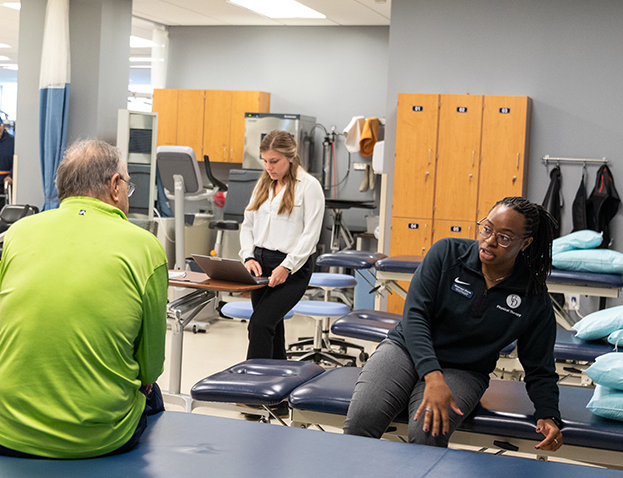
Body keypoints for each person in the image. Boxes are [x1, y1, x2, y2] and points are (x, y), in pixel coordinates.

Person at [0, 139, 167, 459]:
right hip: (101, 437)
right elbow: (150, 368)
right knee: (153, 395)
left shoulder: (19, 233)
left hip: (2, 432)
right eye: (128, 187)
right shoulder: (144, 246)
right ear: (115, 186)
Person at [342, 197, 564, 451]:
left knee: (428, 432)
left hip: (464, 370)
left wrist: (549, 414)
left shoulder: (533, 297)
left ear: (525, 243)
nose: (490, 240)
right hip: (405, 350)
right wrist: (432, 377)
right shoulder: (447, 253)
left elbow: (540, 366)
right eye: (487, 228)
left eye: (504, 237)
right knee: (361, 421)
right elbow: (415, 317)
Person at [240, 130, 325, 360]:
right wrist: (248, 257)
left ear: (290, 156)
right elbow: (247, 224)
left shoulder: (309, 186)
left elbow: (311, 235)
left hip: (292, 268)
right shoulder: (262, 184)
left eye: (274, 161)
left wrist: (287, 267)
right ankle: (279, 394)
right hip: (260, 265)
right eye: (265, 161)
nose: (269, 167)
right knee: (272, 329)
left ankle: (253, 390)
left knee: (259, 325)